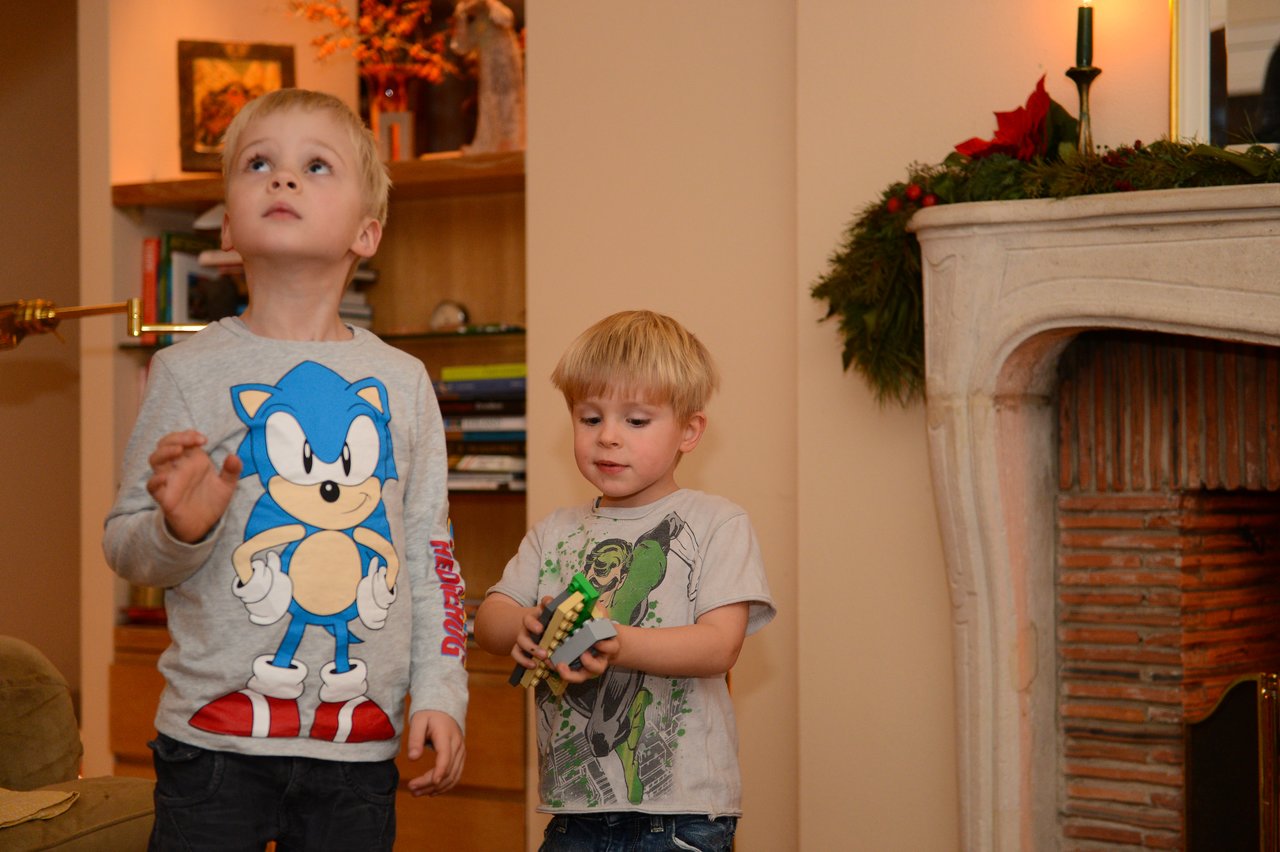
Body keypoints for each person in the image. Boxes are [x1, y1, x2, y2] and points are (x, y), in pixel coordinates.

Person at [102, 88, 467, 851]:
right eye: (259, 163)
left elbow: (432, 556)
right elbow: (125, 545)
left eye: (315, 166)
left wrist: (442, 691)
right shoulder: (183, 373)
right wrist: (177, 529)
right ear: (228, 227)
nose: (283, 179)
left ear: (367, 233)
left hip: (356, 751)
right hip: (212, 749)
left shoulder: (401, 383)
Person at [474, 310, 775, 852]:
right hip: (573, 814)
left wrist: (614, 640)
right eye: (590, 419)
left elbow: (718, 647)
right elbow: (489, 619)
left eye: (636, 421)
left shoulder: (716, 523)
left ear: (690, 430)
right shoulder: (555, 531)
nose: (608, 437)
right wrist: (522, 625)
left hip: (681, 815)